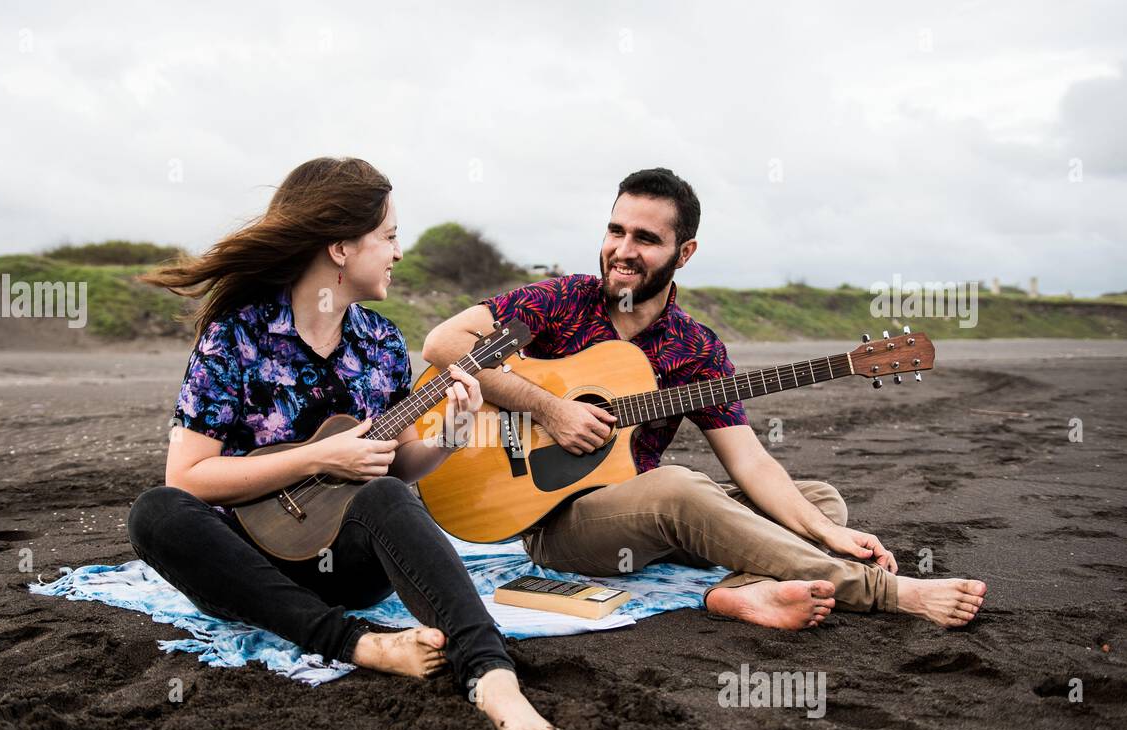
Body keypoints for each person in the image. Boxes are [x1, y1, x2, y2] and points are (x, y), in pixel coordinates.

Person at [421, 167, 987, 630]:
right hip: (556, 521)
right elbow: (444, 343)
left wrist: (827, 532)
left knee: (819, 500)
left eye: (645, 238)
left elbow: (748, 461)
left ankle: (736, 595)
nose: (622, 249)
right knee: (678, 486)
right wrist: (551, 408)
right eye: (615, 230)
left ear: (683, 252)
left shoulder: (694, 349)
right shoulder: (561, 302)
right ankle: (886, 593)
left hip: (643, 520)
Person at [129, 157, 553, 730]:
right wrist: (317, 459)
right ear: (339, 248)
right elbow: (189, 476)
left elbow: (398, 464)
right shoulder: (236, 334)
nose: (399, 251)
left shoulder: (380, 343)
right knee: (155, 513)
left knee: (386, 493)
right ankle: (358, 645)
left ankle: (491, 673)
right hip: (247, 564)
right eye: (388, 236)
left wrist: (451, 438)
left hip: (345, 565)